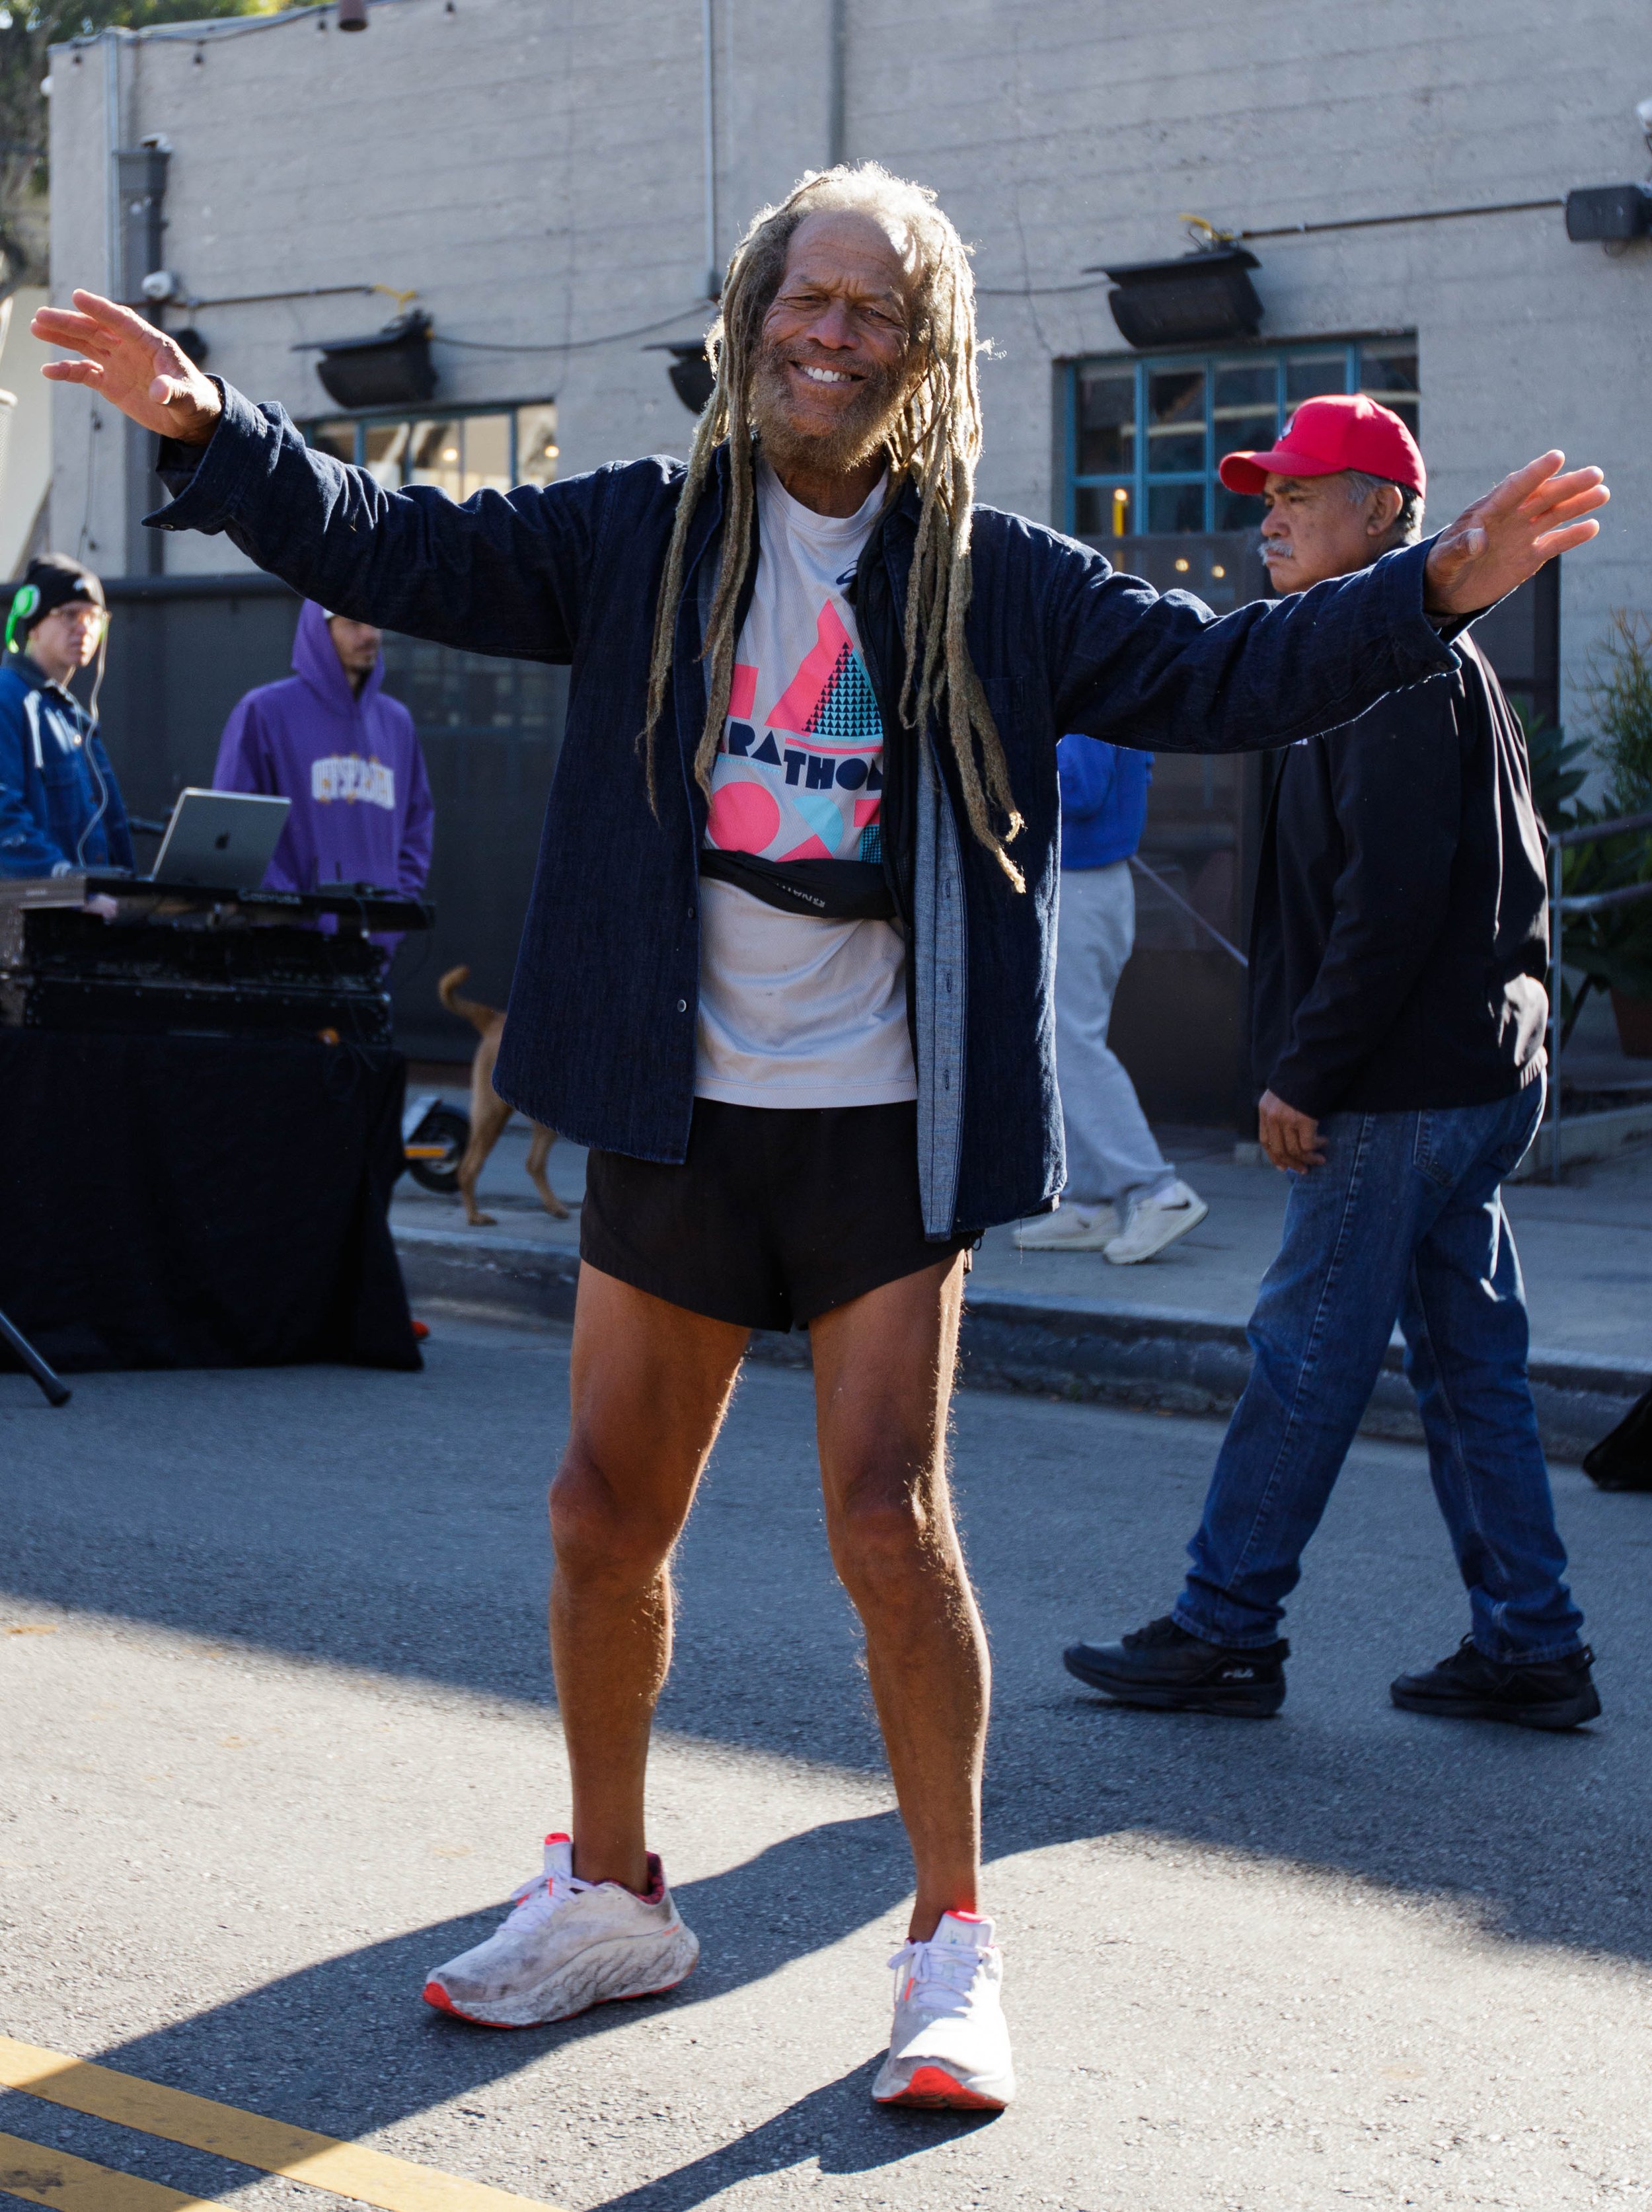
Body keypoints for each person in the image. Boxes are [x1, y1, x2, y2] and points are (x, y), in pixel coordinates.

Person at [34, 170, 1605, 2109]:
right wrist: (208, 428)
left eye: (873, 310)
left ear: (918, 348)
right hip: (680, 1111)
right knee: (597, 1514)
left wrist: (1431, 583)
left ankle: (950, 1939)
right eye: (806, 295)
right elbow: (400, 541)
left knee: (886, 1515)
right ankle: (608, 1889)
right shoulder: (642, 537)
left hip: (883, 1119)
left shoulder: (994, 578)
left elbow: (1224, 674)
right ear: (751, 312)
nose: (829, 332)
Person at [1064, 395, 1600, 1733]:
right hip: (1460, 1074)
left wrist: (1303, 1071)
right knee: (1467, 1364)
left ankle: (1222, 1624)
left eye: (1298, 492)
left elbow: (1394, 902)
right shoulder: (1384, 654)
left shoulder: (1396, 665)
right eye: (1266, 494)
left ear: (1380, 513)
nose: (1267, 517)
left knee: (1303, 1351)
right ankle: (1531, 1643)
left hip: (1401, 1083)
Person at [1014, 735, 1207, 1261]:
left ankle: (1156, 1191)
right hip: (1086, 884)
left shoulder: (1086, 688)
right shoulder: (1103, 682)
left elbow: (1079, 788)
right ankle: (1091, 1201)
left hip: (1078, 886)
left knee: (1069, 1047)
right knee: (1063, 1045)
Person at [213, 599, 433, 938]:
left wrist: (391, 916)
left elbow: (417, 827)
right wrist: (292, 911)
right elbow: (233, 827)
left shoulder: (397, 723)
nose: (370, 634)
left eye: (375, 622)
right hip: (282, 947)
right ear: (319, 629)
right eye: (352, 623)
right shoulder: (265, 711)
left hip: (371, 952)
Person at [0, 553, 132, 878]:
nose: (84, 628)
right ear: (32, 624)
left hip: (81, 915)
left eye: (93, 617)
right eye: (69, 614)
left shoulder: (75, 717)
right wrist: (64, 882)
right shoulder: (6, 697)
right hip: (33, 921)